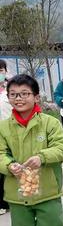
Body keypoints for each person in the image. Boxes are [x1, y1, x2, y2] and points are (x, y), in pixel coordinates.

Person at [0, 74, 63, 226]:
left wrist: (42, 157)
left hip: (47, 190)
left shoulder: (49, 123)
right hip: (17, 194)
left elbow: (61, 148)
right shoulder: (3, 127)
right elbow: (0, 153)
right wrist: (9, 165)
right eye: (13, 95)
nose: (18, 99)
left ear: (36, 97)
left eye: (24, 94)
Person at [0, 59, 12, 216]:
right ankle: (2, 202)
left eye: (1, 70)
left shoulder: (12, 87)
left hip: (11, 131)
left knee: (10, 164)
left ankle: (9, 200)